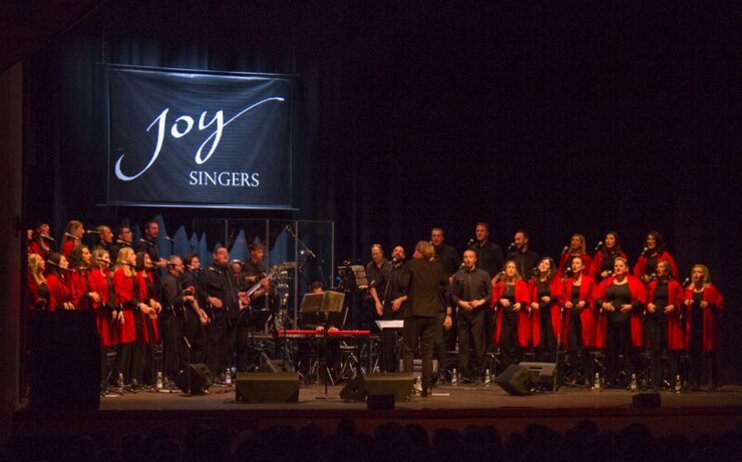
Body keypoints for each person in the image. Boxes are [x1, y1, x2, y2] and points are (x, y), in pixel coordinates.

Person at [401, 241, 448, 397]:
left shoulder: (411, 264)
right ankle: (427, 388)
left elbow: (403, 284)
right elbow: (445, 283)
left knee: (409, 349)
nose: (413, 252)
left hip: (414, 312)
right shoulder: (437, 266)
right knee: (427, 351)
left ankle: (407, 387)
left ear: (420, 252)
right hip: (431, 314)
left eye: (415, 250)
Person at [593, 257, 646, 388]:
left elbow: (642, 297)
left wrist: (631, 306)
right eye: (616, 266)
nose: (617, 268)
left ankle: (630, 380)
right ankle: (611, 379)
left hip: (627, 321)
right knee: (611, 352)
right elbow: (596, 296)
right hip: (610, 322)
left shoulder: (634, 282)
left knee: (628, 352)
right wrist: (603, 304)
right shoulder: (607, 282)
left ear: (626, 268)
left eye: (621, 266)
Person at [450, 249, 491, 382]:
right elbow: (452, 295)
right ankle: (465, 375)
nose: (468, 259)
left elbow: (490, 295)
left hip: (478, 313)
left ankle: (480, 374)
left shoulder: (483, 275)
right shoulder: (458, 276)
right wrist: (461, 303)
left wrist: (479, 302)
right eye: (465, 257)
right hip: (463, 313)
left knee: (479, 345)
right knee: (463, 345)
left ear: (475, 259)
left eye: (470, 257)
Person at [201, 246, 241, 379]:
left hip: (231, 315)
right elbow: (199, 290)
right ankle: (211, 374)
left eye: (226, 253)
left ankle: (223, 372)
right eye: (222, 253)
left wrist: (240, 296)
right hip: (217, 315)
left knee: (228, 346)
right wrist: (209, 298)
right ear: (214, 256)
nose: (225, 255)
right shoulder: (209, 272)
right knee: (214, 345)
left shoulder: (228, 272)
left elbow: (232, 290)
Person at [683, 264, 724, 390]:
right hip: (693, 325)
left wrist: (709, 304)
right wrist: (685, 303)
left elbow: (720, 305)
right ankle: (695, 382)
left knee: (710, 354)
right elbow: (682, 304)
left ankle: (712, 382)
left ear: (704, 275)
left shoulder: (710, 289)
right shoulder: (689, 289)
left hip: (707, 326)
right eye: (694, 272)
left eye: (699, 272)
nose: (696, 274)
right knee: (695, 355)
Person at [645, 259, 684, 391]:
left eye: (661, 267)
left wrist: (674, 305)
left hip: (669, 321)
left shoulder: (674, 284)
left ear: (667, 269)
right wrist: (649, 304)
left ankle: (673, 383)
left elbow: (680, 299)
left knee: (671, 352)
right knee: (655, 351)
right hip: (655, 320)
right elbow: (647, 298)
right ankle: (656, 383)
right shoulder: (652, 284)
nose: (658, 269)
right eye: (658, 267)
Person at [112, 247, 149, 387]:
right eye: (132, 254)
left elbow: (142, 293)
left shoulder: (134, 273)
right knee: (126, 346)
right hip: (127, 312)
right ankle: (121, 378)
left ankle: (135, 378)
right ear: (125, 257)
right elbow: (120, 293)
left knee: (138, 345)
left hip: (137, 312)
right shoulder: (120, 273)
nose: (135, 256)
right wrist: (138, 304)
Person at [562, 256, 597, 385]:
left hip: (585, 316)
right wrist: (566, 302)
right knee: (573, 348)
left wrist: (586, 301)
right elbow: (563, 296)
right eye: (573, 263)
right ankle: (574, 376)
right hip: (571, 316)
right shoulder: (568, 281)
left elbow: (595, 297)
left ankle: (588, 377)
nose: (574, 265)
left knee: (585, 347)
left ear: (583, 266)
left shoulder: (589, 281)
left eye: (577, 263)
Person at [431, 228, 459, 379]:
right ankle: (430, 373)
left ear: (442, 237)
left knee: (439, 340)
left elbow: (447, 293)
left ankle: (443, 372)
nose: (435, 238)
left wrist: (448, 313)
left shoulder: (450, 252)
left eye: (438, 236)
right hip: (427, 306)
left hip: (440, 306)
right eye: (433, 236)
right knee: (428, 343)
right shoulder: (426, 266)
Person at [491, 260, 530, 370]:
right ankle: (505, 371)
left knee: (519, 346)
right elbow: (493, 300)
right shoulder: (500, 285)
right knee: (504, 346)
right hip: (504, 320)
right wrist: (500, 301)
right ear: (505, 270)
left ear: (516, 270)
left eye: (513, 267)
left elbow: (526, 299)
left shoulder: (522, 284)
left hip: (518, 320)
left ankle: (519, 371)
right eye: (509, 267)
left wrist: (520, 304)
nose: (511, 269)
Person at [529, 257, 564, 362]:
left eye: (546, 264)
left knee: (551, 344)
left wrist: (550, 298)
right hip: (538, 315)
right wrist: (531, 303)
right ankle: (540, 373)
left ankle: (552, 372)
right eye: (542, 263)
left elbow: (560, 294)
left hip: (551, 314)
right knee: (539, 344)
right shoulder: (533, 281)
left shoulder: (555, 279)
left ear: (550, 268)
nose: (543, 265)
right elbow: (528, 297)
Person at [380, 246, 408, 373]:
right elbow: (374, 286)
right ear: (392, 253)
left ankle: (402, 370)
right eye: (396, 250)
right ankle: (388, 370)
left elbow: (413, 291)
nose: (398, 252)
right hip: (387, 310)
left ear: (404, 256)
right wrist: (377, 302)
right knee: (387, 340)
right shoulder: (387, 268)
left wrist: (400, 299)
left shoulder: (407, 270)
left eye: (401, 251)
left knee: (402, 342)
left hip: (402, 309)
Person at [365, 244, 392, 330]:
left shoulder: (389, 265)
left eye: (377, 254)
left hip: (386, 297)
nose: (375, 256)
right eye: (373, 254)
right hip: (374, 296)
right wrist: (377, 302)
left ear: (382, 253)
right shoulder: (370, 266)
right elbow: (371, 285)